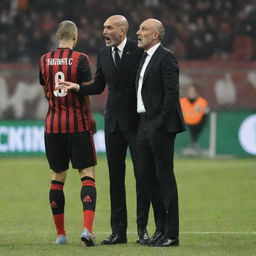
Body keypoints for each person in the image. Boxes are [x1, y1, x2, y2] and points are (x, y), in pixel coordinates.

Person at [59, 15, 150, 245]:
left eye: (109, 27)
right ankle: (118, 232)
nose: (104, 31)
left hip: (137, 123)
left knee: (142, 177)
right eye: (103, 27)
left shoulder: (137, 50)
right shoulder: (102, 53)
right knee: (115, 179)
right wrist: (77, 87)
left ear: (122, 30)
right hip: (113, 126)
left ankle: (142, 230)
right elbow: (99, 86)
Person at [39, 20, 97, 246]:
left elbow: (46, 90)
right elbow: (85, 92)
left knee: (57, 176)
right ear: (75, 37)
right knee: (87, 173)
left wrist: (55, 105)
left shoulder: (43, 60)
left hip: (53, 125)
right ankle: (87, 230)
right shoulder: (81, 59)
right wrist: (90, 116)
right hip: (78, 124)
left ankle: (60, 235)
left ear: (57, 36)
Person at [135, 19, 186, 247]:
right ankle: (160, 230)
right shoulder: (144, 58)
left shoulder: (166, 57)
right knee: (147, 178)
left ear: (155, 35)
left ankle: (172, 234)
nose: (139, 32)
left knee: (164, 178)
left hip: (159, 126)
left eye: (143, 29)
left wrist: (158, 123)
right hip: (143, 124)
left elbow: (172, 92)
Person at [180, 84, 209, 152]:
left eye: (193, 90)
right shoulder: (182, 102)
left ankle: (196, 147)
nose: (191, 92)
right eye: (190, 90)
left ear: (197, 92)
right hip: (185, 125)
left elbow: (205, 115)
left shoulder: (202, 102)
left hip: (198, 126)